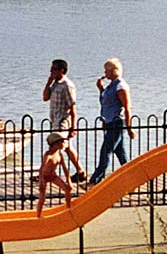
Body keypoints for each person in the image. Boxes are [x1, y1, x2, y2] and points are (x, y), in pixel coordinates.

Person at [88, 58, 136, 186]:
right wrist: (100, 89)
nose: (104, 73)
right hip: (110, 123)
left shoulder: (120, 86)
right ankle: (132, 180)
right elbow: (107, 101)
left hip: (117, 123)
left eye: (106, 70)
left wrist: (129, 127)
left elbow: (126, 107)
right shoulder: (112, 85)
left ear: (113, 71)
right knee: (121, 154)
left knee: (106, 151)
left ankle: (95, 181)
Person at [42, 59, 88, 183]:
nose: (51, 71)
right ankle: (81, 171)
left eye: (54, 69)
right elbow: (45, 97)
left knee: (55, 147)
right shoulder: (55, 84)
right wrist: (48, 83)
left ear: (61, 70)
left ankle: (45, 173)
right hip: (54, 120)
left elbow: (72, 106)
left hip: (63, 121)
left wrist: (73, 126)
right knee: (67, 148)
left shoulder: (67, 85)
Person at [36, 132, 72, 217]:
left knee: (67, 189)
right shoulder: (48, 155)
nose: (64, 144)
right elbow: (41, 169)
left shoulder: (59, 154)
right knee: (42, 198)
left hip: (53, 176)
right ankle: (38, 216)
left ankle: (69, 208)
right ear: (55, 144)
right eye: (62, 142)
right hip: (44, 177)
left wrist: (68, 180)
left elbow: (64, 168)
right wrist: (41, 181)